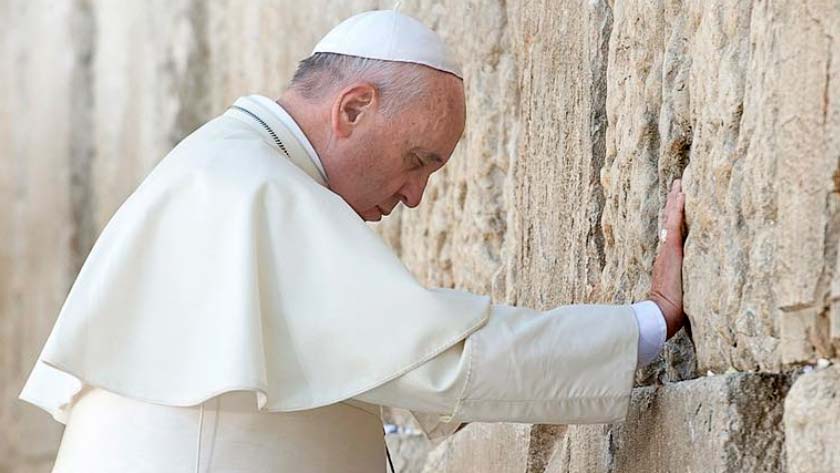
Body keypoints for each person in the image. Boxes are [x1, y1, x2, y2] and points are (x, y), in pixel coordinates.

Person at [18, 9, 687, 473]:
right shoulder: (259, 190)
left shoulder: (224, 167)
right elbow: (442, 360)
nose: (415, 195)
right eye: (418, 159)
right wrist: (646, 323)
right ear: (353, 108)